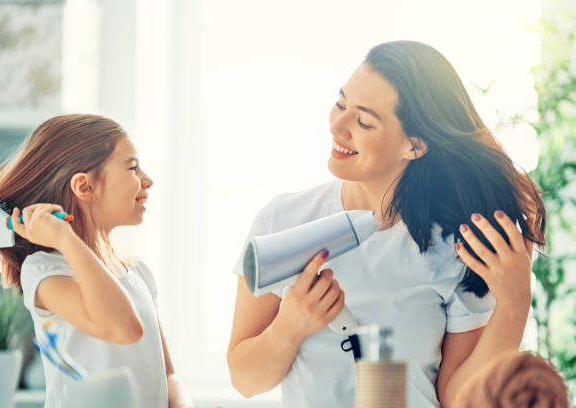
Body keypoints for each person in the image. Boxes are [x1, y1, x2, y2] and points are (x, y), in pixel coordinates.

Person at [227, 41, 546, 407]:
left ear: (415, 145)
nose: (337, 127)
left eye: (363, 121)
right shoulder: (282, 221)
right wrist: (289, 327)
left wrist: (515, 305)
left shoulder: (459, 247)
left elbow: (460, 399)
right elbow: (245, 380)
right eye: (340, 104)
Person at [0, 114, 194, 408]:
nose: (147, 180)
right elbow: (123, 327)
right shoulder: (46, 271)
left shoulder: (137, 271)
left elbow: (168, 376)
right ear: (84, 187)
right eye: (133, 168)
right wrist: (66, 239)